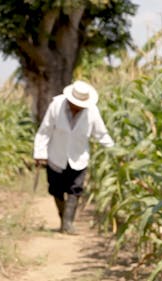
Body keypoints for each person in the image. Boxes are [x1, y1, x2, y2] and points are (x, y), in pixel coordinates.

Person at [33, 80, 114, 234]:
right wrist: (39, 153)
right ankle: (63, 217)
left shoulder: (92, 111)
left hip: (79, 157)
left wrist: (114, 151)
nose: (77, 107)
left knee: (75, 189)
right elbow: (45, 130)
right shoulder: (56, 106)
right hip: (56, 156)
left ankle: (68, 223)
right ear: (69, 99)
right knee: (56, 190)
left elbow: (101, 134)